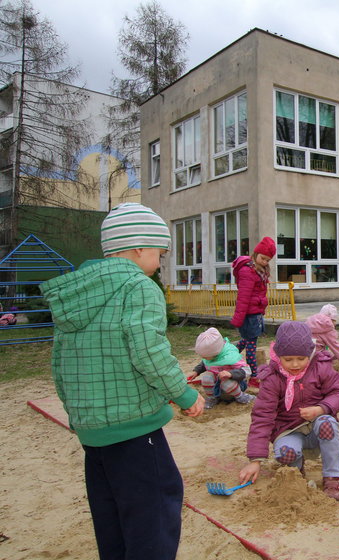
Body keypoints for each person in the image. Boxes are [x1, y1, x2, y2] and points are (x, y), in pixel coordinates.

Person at [40, 202, 204, 559]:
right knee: (155, 509)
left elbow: (60, 361)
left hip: (93, 430)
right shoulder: (138, 287)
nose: (160, 263)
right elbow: (149, 351)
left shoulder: (80, 292)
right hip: (134, 427)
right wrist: (184, 393)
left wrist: (77, 412)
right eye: (159, 253)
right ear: (139, 248)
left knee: (112, 513)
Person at [239, 321, 339, 501]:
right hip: (288, 430)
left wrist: (320, 408)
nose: (295, 364)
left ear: (309, 353)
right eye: (288, 359)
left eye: (301, 358)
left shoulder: (321, 366)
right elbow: (262, 416)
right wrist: (255, 459)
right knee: (285, 453)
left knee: (327, 423)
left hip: (316, 427)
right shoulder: (272, 378)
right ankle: (297, 475)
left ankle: (332, 476)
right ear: (278, 355)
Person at [231, 236, 276, 377]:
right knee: (251, 345)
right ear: (256, 254)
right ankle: (254, 373)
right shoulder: (248, 271)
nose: (265, 262)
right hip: (249, 314)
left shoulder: (260, 271)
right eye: (263, 258)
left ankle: (228, 355)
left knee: (247, 340)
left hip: (256, 312)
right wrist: (238, 318)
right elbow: (243, 297)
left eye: (268, 260)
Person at [189, 327, 256, 409]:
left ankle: (241, 397)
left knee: (226, 382)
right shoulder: (211, 356)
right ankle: (212, 398)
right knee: (206, 377)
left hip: (235, 386)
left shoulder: (230, 356)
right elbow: (204, 363)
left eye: (206, 356)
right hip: (218, 387)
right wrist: (196, 371)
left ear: (215, 353)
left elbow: (247, 370)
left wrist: (230, 374)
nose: (203, 358)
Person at [306, 303, 339, 369]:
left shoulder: (310, 321)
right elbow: (336, 347)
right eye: (334, 320)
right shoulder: (327, 327)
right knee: (326, 355)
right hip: (315, 357)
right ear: (332, 319)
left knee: (325, 352)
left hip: (302, 355)